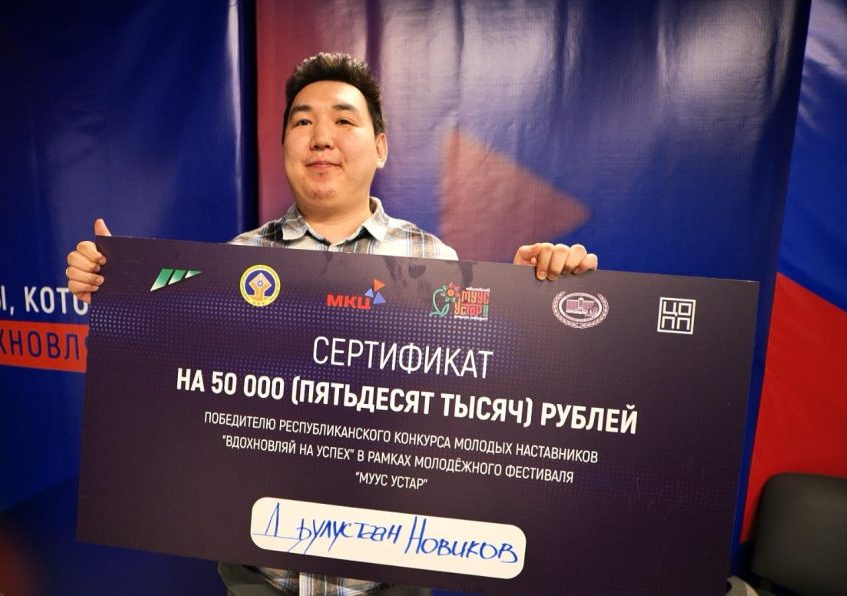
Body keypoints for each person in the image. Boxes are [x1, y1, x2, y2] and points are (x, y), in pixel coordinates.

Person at [66, 52, 597, 595]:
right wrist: (112, 293)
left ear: (380, 147)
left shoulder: (437, 262)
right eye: (303, 122)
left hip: (391, 577)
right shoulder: (235, 262)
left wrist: (534, 301)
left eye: (344, 120)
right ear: (284, 147)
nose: (321, 138)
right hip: (260, 577)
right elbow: (170, 384)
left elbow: (484, 403)